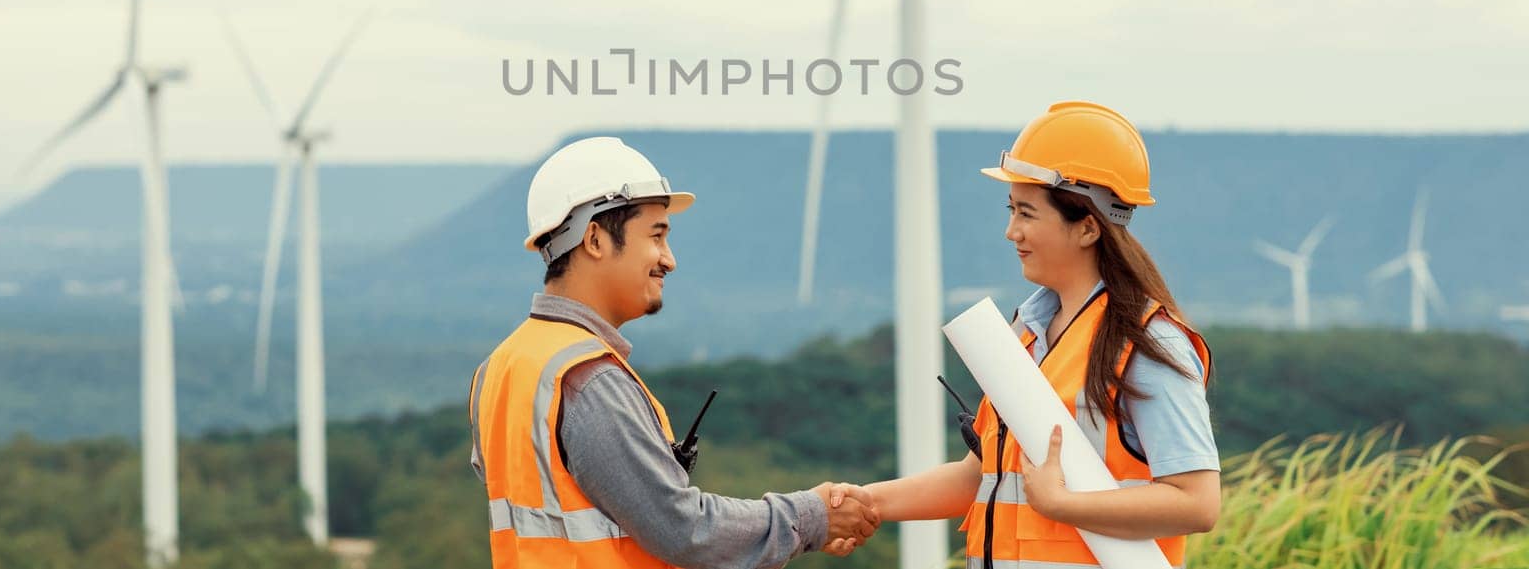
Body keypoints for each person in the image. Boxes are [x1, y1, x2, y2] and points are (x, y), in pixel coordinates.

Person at [470, 136, 880, 568]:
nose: (670, 259)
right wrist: (811, 517)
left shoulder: (499, 368)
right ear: (594, 239)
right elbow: (684, 530)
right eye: (656, 235)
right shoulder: (588, 380)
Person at [844, 101, 1221, 568]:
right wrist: (857, 504)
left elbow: (1197, 503)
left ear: (1086, 228)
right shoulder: (1024, 336)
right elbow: (979, 478)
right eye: (1011, 210)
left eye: (1026, 213)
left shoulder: (1148, 344)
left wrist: (1064, 505)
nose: (1010, 232)